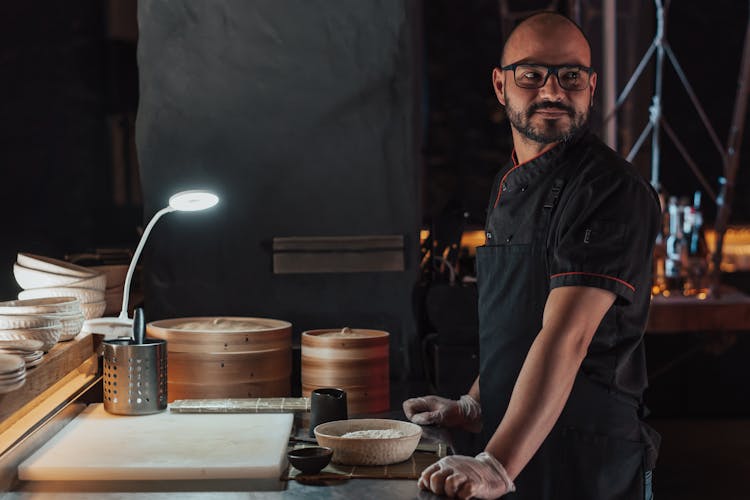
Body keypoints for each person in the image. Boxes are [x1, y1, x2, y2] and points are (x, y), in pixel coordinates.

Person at [403, 11, 661, 500]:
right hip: (516, 445)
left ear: (591, 85)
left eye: (570, 76)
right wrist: (476, 403)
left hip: (587, 458)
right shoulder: (510, 183)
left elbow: (567, 335)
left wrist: (496, 465)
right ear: (501, 86)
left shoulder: (609, 189)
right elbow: (519, 320)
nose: (553, 91)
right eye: (531, 76)